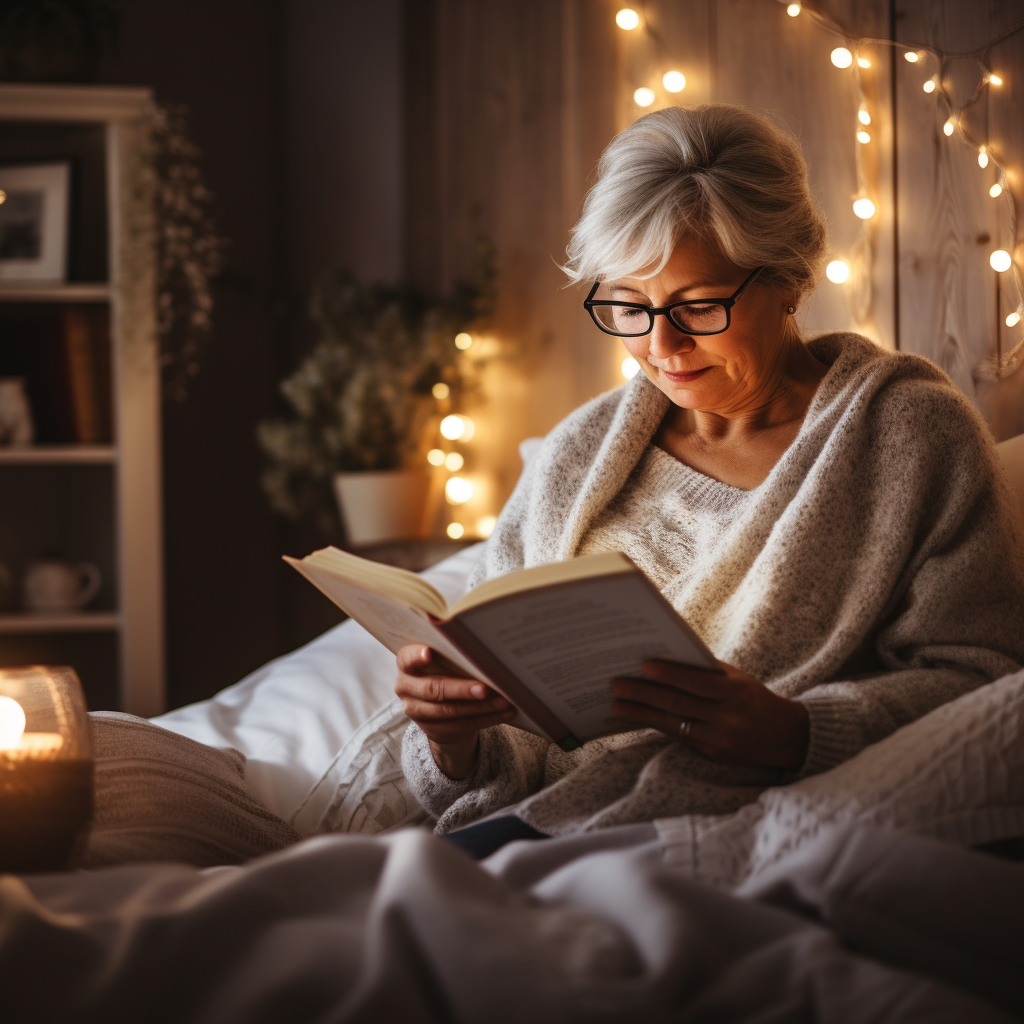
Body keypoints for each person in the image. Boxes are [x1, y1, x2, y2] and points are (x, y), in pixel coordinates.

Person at [395, 103, 1024, 857]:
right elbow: (511, 747)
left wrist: (800, 732)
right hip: (535, 828)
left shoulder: (911, 435)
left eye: (698, 305)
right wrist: (450, 740)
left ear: (789, 281)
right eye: (629, 305)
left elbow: (987, 684)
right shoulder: (577, 455)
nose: (661, 345)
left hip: (749, 833)